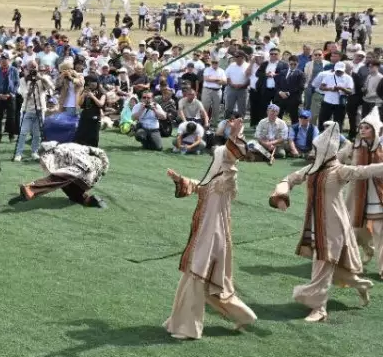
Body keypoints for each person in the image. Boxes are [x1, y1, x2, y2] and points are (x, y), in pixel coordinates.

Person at [269, 122, 382, 322]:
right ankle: (360, 284)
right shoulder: (312, 169)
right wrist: (282, 193)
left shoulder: (339, 171)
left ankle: (319, 309)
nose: (313, 151)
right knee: (333, 269)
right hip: (315, 224)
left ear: (326, 151)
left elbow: (365, 171)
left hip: (334, 227)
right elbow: (290, 178)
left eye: (316, 148)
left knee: (321, 265)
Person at [163, 123, 258, 339]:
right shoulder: (216, 178)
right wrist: (180, 179)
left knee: (197, 278)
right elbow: (201, 185)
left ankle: (188, 328)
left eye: (218, 156)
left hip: (213, 236)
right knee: (201, 282)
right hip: (204, 233)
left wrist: (234, 139)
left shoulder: (227, 178)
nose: (214, 158)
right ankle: (243, 316)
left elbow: (230, 170)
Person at [9, 141, 109, 209]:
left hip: (86, 168)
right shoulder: (71, 145)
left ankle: (30, 189)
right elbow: (99, 151)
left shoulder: (56, 152)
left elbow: (54, 177)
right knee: (66, 183)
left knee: (61, 177)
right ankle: (88, 200)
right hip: (92, 173)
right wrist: (104, 167)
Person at [345, 109, 383, 278]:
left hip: (377, 196)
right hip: (357, 197)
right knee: (355, 231)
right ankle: (368, 250)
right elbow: (336, 160)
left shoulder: (381, 149)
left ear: (375, 130)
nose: (362, 130)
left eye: (367, 127)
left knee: (379, 233)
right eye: (361, 127)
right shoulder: (353, 147)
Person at [74, 76, 103, 148]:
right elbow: (79, 104)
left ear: (97, 83)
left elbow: (101, 104)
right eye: (91, 82)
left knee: (93, 137)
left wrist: (92, 96)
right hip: (85, 115)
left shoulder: (101, 93)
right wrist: (83, 95)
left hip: (95, 116)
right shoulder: (85, 91)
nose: (92, 84)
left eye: (94, 82)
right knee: (80, 136)